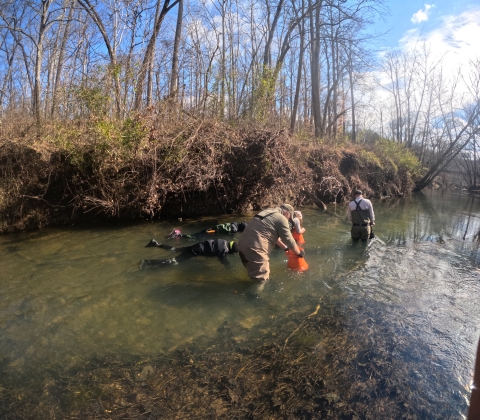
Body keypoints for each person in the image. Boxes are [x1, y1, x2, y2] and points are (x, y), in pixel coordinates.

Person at [238, 204, 304, 283]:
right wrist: (298, 253)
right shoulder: (282, 219)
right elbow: (289, 239)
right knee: (261, 281)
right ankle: (255, 294)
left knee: (253, 274)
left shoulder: (266, 212)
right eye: (289, 218)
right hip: (255, 250)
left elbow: (275, 238)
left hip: (242, 246)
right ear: (287, 213)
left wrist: (286, 248)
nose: (288, 220)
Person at [139, 238, 239, 270]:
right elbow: (224, 262)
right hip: (195, 251)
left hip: (196, 246)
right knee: (174, 261)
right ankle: (147, 263)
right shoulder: (223, 251)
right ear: (230, 251)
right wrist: (230, 268)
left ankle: (156, 244)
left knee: (174, 249)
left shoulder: (223, 241)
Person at [167, 221, 247, 239]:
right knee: (195, 237)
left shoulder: (234, 223)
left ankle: (178, 233)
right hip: (212, 232)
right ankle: (178, 235)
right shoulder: (234, 230)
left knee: (198, 233)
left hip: (212, 228)